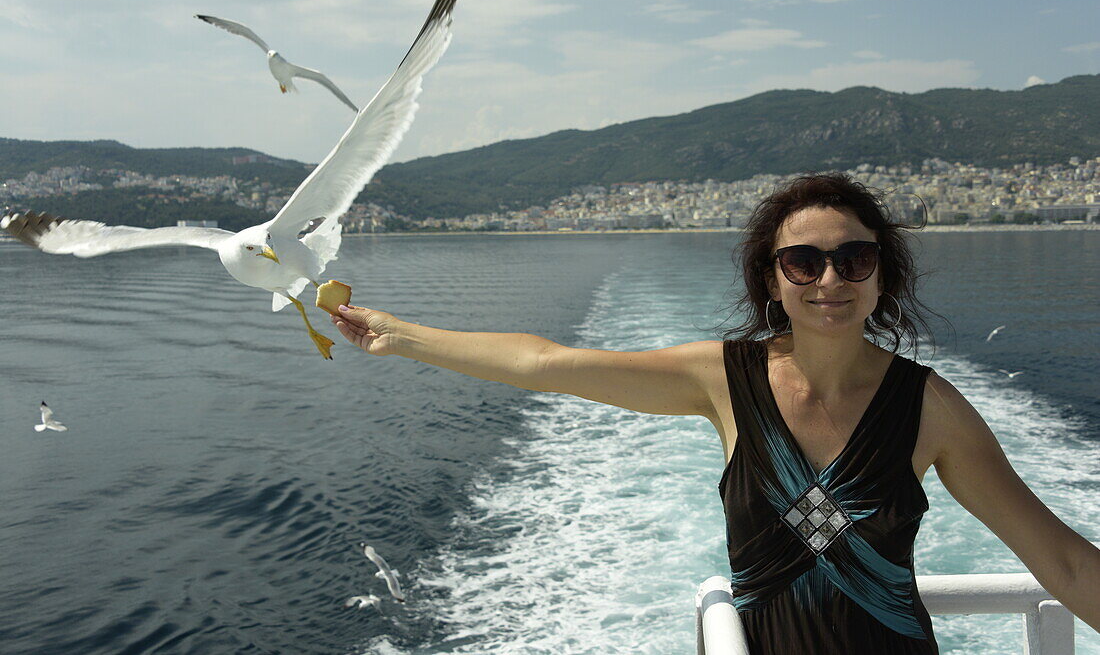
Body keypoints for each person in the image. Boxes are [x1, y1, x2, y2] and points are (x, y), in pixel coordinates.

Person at [329, 172, 1099, 654]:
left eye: (853, 259)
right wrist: (403, 337)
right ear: (773, 279)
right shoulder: (723, 379)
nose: (828, 279)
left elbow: (1060, 560)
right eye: (803, 261)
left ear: (879, 276)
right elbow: (548, 364)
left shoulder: (932, 409)